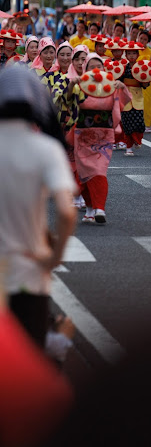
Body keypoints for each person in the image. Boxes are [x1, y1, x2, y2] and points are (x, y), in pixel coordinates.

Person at [0, 65, 76, 347]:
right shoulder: (46, 148)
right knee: (31, 356)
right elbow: (67, 212)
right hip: (28, 271)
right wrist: (54, 257)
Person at [72, 53, 131, 224]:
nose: (96, 69)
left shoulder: (111, 85)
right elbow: (68, 105)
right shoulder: (79, 85)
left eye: (99, 66)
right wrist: (71, 87)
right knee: (84, 173)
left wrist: (122, 87)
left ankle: (99, 208)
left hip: (103, 136)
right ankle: (90, 208)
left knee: (99, 171)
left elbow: (122, 103)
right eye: (91, 66)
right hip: (83, 135)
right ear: (85, 69)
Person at [120, 41, 148, 156]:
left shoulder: (141, 67)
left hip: (137, 97)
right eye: (129, 53)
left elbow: (145, 85)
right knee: (126, 122)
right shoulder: (123, 68)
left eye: (133, 53)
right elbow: (118, 81)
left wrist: (146, 80)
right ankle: (129, 147)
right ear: (126, 55)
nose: (131, 56)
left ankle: (137, 139)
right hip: (126, 97)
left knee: (139, 122)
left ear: (137, 55)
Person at [137, 28, 151, 132]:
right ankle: (137, 122)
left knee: (148, 102)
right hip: (136, 79)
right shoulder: (134, 50)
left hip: (148, 80)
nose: (142, 41)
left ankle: (147, 123)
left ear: (148, 41)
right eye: (141, 38)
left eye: (145, 39)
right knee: (136, 100)